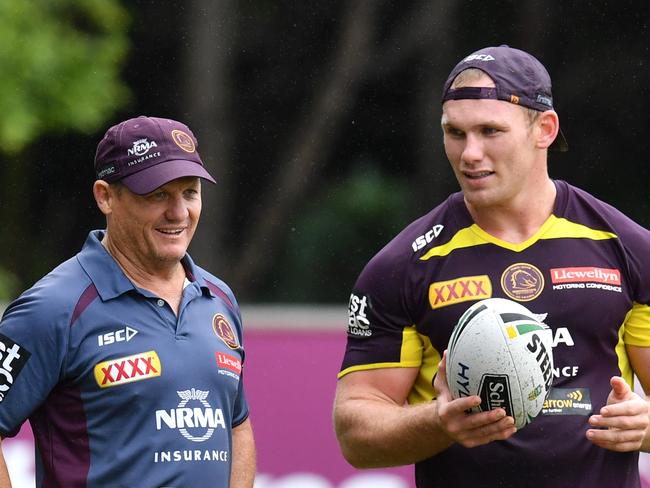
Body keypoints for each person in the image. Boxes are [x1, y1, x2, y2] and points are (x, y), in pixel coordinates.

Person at [333, 45, 650, 487]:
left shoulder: (628, 249)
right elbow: (354, 433)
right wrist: (437, 422)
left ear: (545, 129)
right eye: (455, 133)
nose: (470, 154)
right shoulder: (403, 266)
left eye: (489, 131)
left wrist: (647, 426)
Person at [0, 116, 255, 487]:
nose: (179, 213)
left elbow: (237, 425)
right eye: (157, 195)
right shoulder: (52, 308)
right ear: (105, 196)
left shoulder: (218, 299)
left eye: (190, 192)